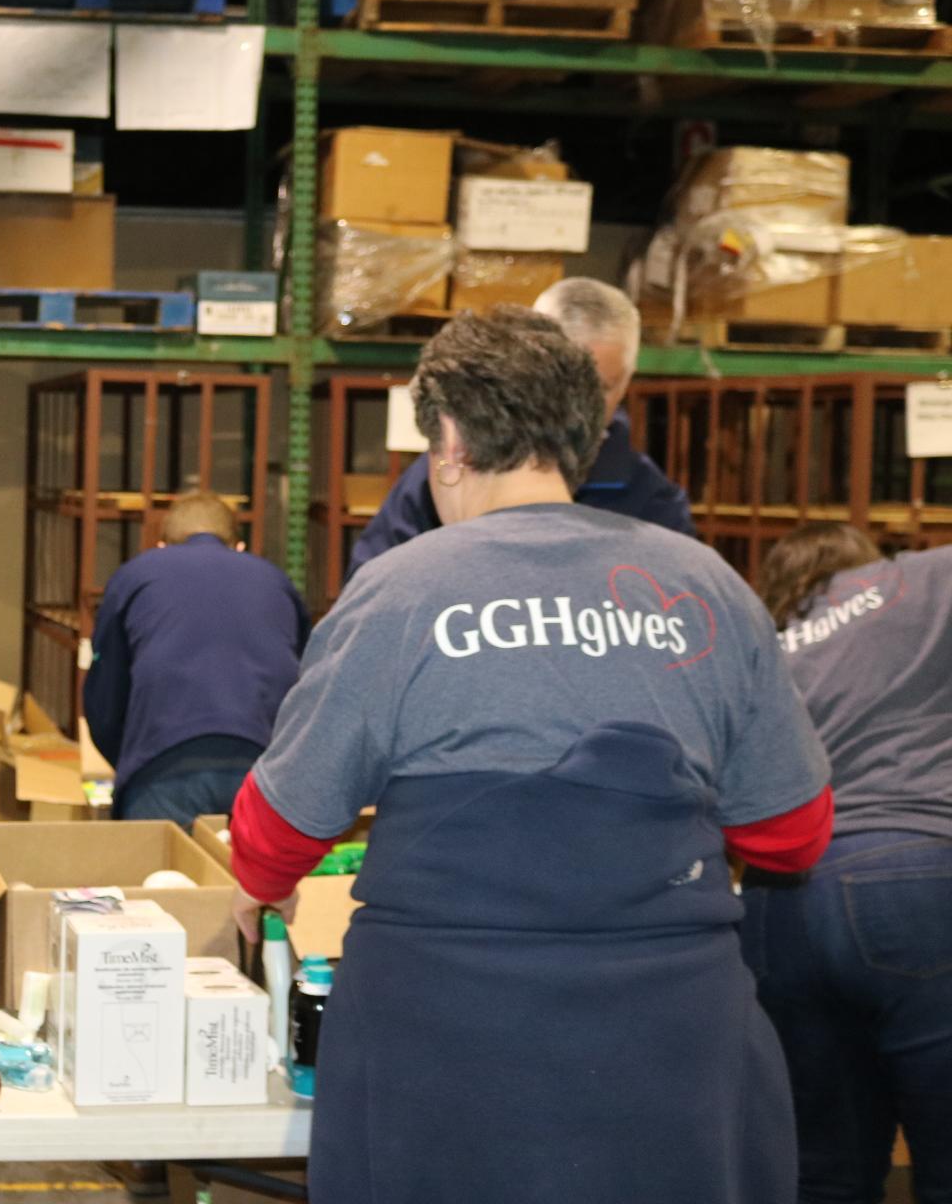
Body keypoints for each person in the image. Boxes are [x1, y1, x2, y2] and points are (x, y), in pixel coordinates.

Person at [229, 307, 835, 1204]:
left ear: (450, 439)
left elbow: (277, 832)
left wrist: (261, 884)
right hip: (668, 1044)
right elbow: (794, 833)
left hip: (445, 1044)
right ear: (583, 437)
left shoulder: (400, 591)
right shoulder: (705, 586)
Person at [747, 523, 952, 1203]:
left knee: (824, 1170)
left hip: (776, 905)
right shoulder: (913, 582)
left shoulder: (759, 646)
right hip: (909, 875)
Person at [346, 277, 693, 581]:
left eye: (600, 386)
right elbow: (374, 588)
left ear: (628, 382)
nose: (580, 402)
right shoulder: (442, 476)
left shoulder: (653, 503)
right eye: (562, 377)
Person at [82, 491, 309, 828]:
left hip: (165, 762)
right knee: (256, 880)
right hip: (265, 767)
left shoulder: (136, 574)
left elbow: (105, 695)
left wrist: (132, 760)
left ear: (161, 545)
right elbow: (307, 681)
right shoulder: (276, 580)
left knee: (163, 878)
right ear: (239, 547)